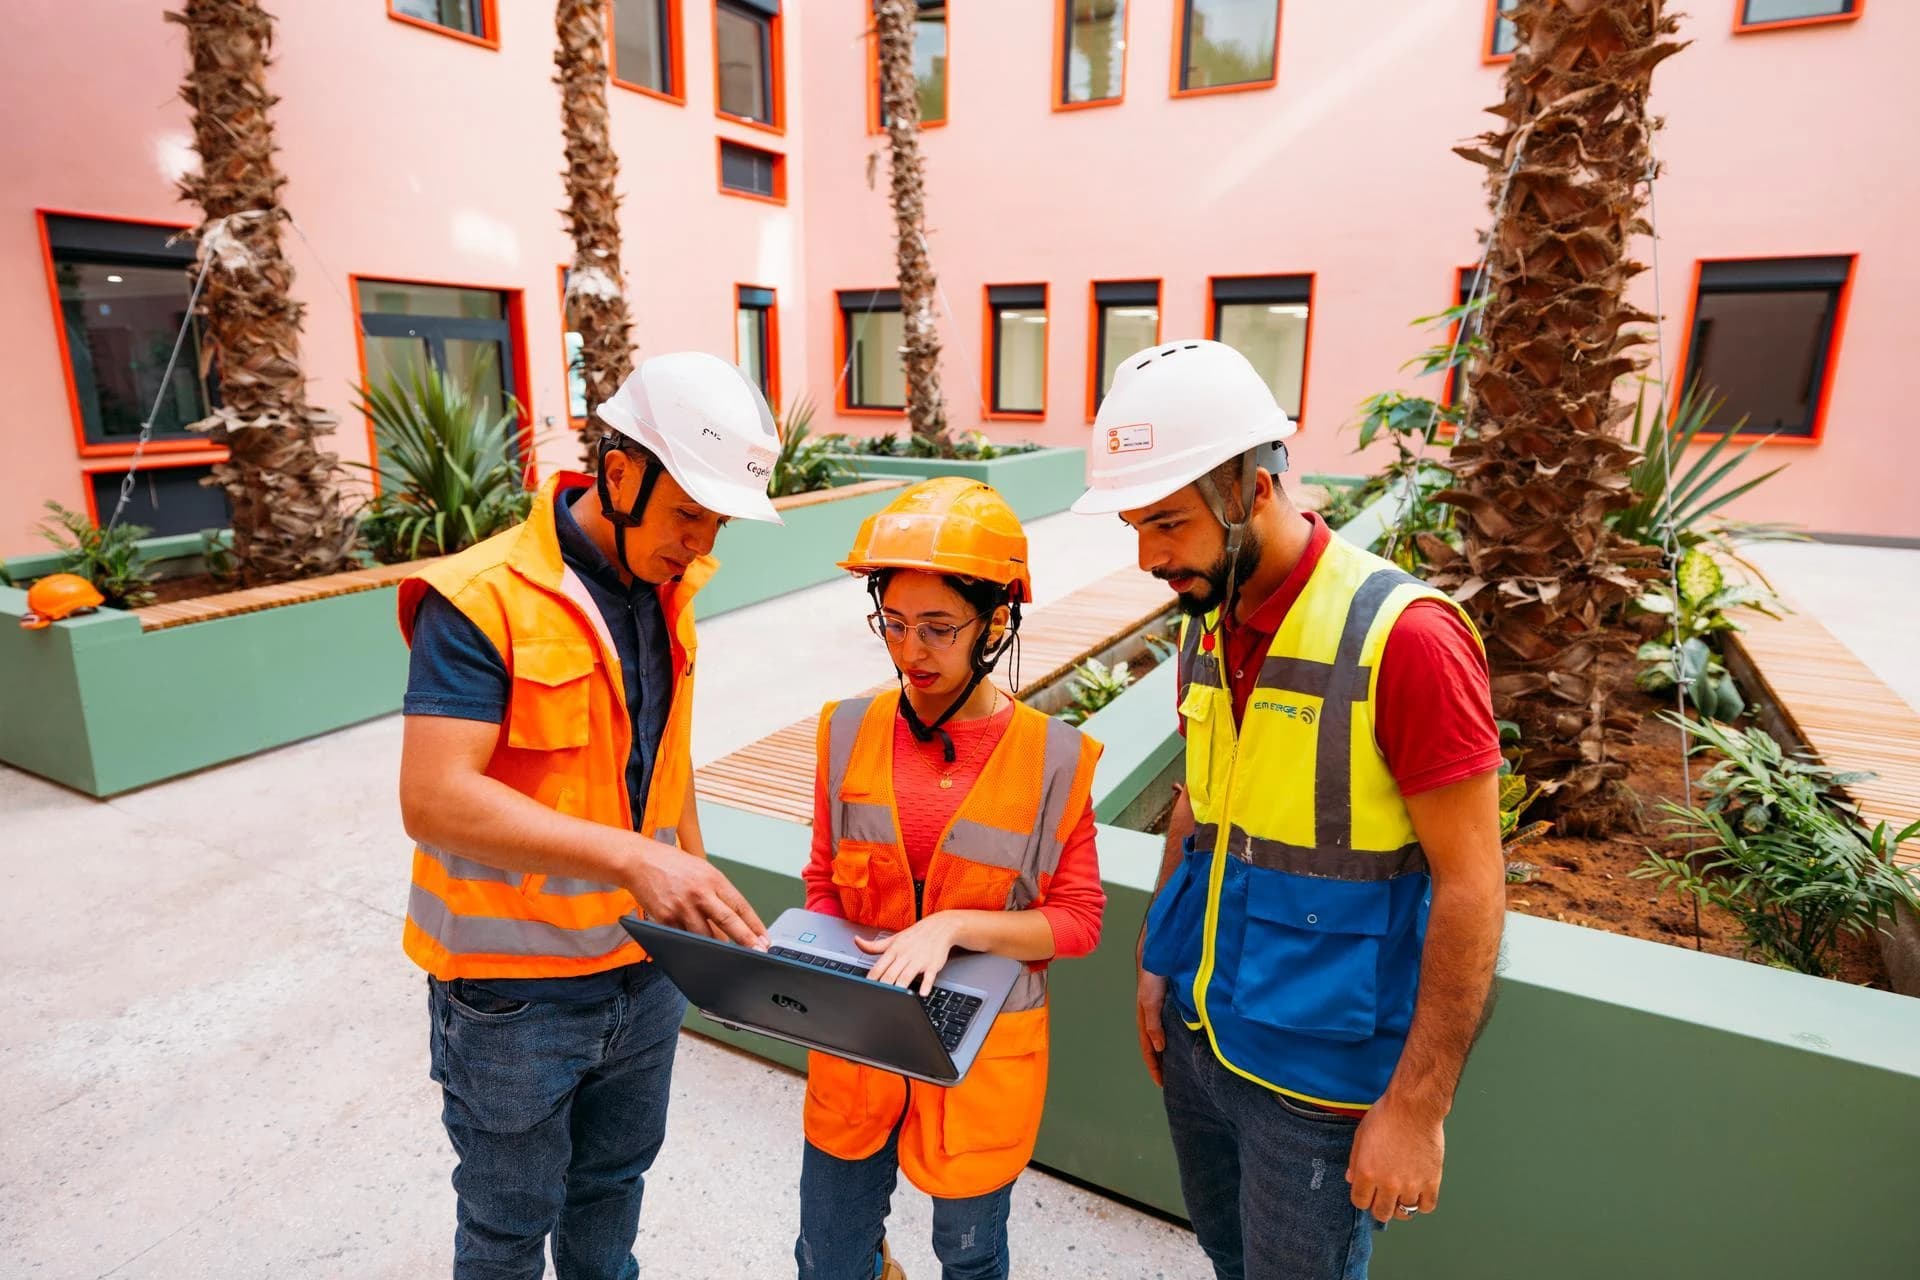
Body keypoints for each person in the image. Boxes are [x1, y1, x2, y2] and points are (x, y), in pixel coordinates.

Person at [1073, 340, 1506, 1280]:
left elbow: (1474, 886)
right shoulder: (1208, 617)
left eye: (1169, 523)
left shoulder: (1408, 640)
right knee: (1229, 1255)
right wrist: (1156, 962)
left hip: (1318, 1087)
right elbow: (1200, 807)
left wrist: (1418, 1109)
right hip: (1201, 1037)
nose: (1150, 558)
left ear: (1254, 489)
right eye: (1136, 526)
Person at [395, 351, 781, 1279]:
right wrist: (638, 862)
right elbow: (434, 797)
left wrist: (701, 901)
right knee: (507, 1227)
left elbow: (662, 759)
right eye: (689, 513)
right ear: (618, 474)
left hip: (645, 974)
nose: (703, 543)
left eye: (718, 521)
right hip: (514, 998)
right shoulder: (481, 598)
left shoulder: (670, 591)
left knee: (612, 1190)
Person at [794, 477, 1107, 1280]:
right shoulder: (845, 729)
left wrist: (954, 926)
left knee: (970, 1257)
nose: (910, 652)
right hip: (857, 1044)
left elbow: (1078, 919)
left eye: (937, 628)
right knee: (829, 1257)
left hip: (979, 1060)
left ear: (996, 623)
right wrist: (806, 969)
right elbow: (824, 882)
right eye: (893, 624)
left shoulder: (1055, 758)